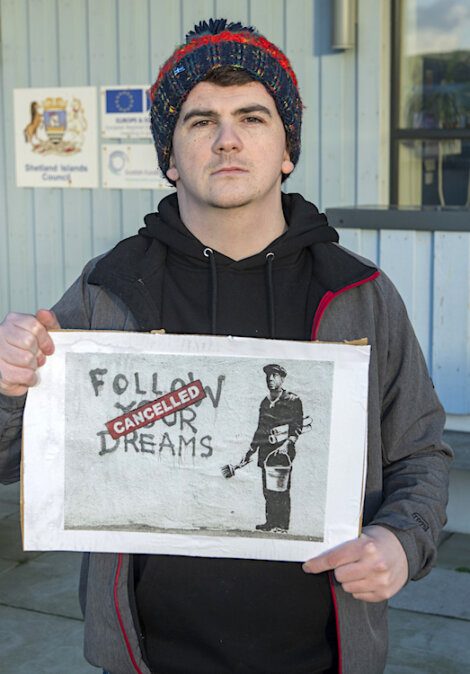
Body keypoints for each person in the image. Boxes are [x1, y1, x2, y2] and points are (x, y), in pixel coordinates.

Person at [0, 18, 451, 674]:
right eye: (200, 121)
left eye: (253, 117)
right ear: (169, 155)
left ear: (287, 149)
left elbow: (420, 450)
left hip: (320, 656)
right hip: (150, 659)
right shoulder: (111, 288)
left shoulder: (359, 292)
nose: (228, 139)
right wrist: (9, 387)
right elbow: (15, 457)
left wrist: (402, 542)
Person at [245, 363, 304, 532]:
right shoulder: (265, 402)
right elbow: (260, 429)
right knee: (268, 490)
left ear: (282, 379)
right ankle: (270, 522)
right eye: (268, 376)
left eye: (274, 376)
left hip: (283, 451)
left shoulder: (293, 400)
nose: (270, 379)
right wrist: (251, 450)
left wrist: (287, 444)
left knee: (281, 489)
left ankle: (282, 525)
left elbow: (296, 426)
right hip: (265, 451)